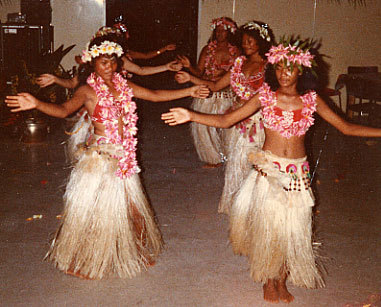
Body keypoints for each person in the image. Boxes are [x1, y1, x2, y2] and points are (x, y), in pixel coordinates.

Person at [162, 38, 381, 303]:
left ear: (301, 71)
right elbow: (226, 119)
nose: (284, 74)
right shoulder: (265, 96)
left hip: (298, 175)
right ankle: (269, 279)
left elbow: (347, 127)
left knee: (293, 231)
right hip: (269, 173)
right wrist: (192, 116)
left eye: (290, 68)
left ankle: (282, 278)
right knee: (271, 230)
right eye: (278, 68)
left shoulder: (312, 100)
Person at [6, 36, 209, 280]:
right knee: (93, 213)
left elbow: (154, 94)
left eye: (113, 62)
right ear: (92, 63)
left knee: (133, 208)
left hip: (124, 156)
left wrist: (189, 90)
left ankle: (133, 250)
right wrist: (36, 103)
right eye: (104, 62)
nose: (110, 67)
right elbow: (63, 110)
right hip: (101, 158)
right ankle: (84, 261)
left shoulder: (124, 85)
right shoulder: (87, 90)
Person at [175, 21, 273, 214]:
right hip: (236, 119)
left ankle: (255, 205)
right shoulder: (239, 64)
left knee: (255, 163)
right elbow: (214, 85)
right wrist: (190, 78)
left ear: (261, 42)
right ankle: (238, 204)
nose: (246, 44)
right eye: (244, 41)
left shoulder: (269, 67)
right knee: (236, 163)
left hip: (259, 123)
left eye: (250, 41)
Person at [176, 17, 240, 168]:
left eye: (223, 31)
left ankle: (228, 156)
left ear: (229, 33)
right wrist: (189, 66)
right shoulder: (207, 49)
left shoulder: (236, 52)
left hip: (225, 94)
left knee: (228, 127)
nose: (219, 34)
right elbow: (198, 72)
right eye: (217, 31)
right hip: (206, 91)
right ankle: (212, 158)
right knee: (203, 127)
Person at [36, 25, 181, 89]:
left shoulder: (120, 59)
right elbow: (72, 83)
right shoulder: (89, 62)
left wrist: (166, 67)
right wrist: (55, 79)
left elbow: (141, 70)